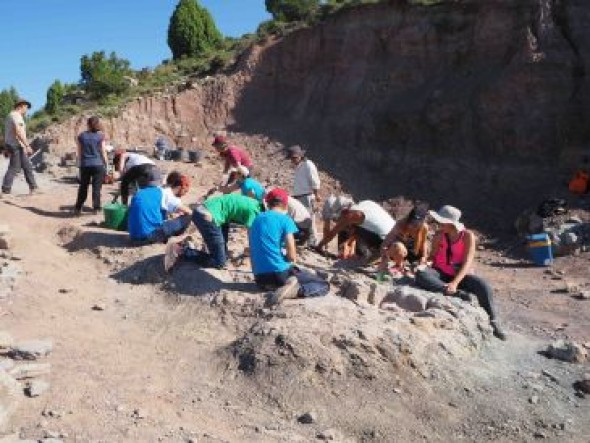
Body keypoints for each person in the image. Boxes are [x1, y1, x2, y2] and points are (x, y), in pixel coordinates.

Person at [415, 205, 507, 340]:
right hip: (440, 272)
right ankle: (457, 294)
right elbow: (432, 257)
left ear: (450, 223)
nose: (438, 224)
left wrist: (454, 282)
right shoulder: (439, 235)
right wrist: (425, 262)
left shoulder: (467, 236)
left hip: (461, 275)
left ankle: (493, 321)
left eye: (441, 221)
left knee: (484, 286)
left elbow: (468, 261)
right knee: (421, 274)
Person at [249, 188, 329, 305]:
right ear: (285, 204)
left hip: (260, 278)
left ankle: (284, 285)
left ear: (268, 203)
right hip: (279, 275)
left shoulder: (256, 219)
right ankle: (295, 291)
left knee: (298, 273)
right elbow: (291, 256)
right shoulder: (285, 220)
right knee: (323, 285)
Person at [165, 193, 261, 271]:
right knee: (219, 262)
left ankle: (216, 252)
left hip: (212, 212)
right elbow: (251, 236)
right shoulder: (254, 212)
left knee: (223, 254)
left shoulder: (256, 204)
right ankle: (180, 250)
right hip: (207, 216)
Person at [315, 199, 395, 262]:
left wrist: (319, 247)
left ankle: (365, 255)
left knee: (344, 228)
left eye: (337, 218)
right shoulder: (367, 203)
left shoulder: (352, 215)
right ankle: (348, 254)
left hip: (385, 243)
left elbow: (332, 234)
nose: (337, 220)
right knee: (350, 227)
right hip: (395, 239)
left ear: (344, 211)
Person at [127, 171, 192, 243]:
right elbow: (189, 212)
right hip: (148, 236)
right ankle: (177, 237)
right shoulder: (169, 195)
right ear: (180, 187)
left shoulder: (157, 190)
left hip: (133, 235)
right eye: (185, 191)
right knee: (188, 217)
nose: (184, 194)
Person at [2, 98, 39, 196]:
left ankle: (33, 188)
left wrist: (6, 147)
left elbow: (7, 133)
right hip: (16, 145)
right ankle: (5, 190)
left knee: (27, 166)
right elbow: (18, 132)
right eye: (26, 107)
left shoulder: (10, 116)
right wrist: (27, 145)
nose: (26, 110)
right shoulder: (16, 116)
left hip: (15, 145)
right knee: (14, 167)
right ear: (21, 106)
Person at [286, 145, 321, 246]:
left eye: (295, 158)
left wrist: (316, 194)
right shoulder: (298, 167)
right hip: (299, 196)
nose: (293, 160)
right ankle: (305, 241)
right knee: (301, 219)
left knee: (309, 219)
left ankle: (313, 243)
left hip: (307, 195)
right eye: (292, 158)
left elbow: (315, 180)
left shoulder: (308, 165)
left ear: (300, 156)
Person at [73, 116, 108, 215]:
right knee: (97, 188)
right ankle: (96, 208)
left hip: (85, 165)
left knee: (83, 187)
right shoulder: (100, 136)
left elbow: (79, 152)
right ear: (98, 124)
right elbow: (103, 151)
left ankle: (78, 208)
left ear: (87, 124)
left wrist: (79, 163)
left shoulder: (81, 136)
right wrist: (107, 164)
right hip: (98, 164)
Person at [378, 206, 430, 272]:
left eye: (416, 225)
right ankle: (398, 265)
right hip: (399, 252)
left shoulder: (424, 227)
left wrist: (424, 256)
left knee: (421, 266)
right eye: (411, 222)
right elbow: (385, 242)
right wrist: (384, 258)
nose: (412, 226)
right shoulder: (400, 224)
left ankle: (410, 266)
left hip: (414, 250)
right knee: (398, 246)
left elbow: (424, 242)